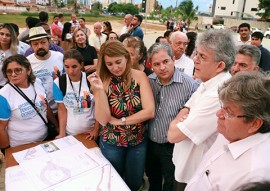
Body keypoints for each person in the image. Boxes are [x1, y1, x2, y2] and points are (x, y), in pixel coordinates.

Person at [167, 29, 236, 191]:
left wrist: (177, 121)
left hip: (194, 175)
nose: (195, 60)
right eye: (196, 54)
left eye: (202, 57)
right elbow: (185, 108)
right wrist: (184, 115)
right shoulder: (208, 83)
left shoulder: (218, 93)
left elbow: (173, 135)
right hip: (187, 168)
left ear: (220, 65)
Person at [87, 40, 155, 191]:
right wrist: (98, 90)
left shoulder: (140, 76)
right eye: (109, 64)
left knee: (134, 182)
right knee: (113, 182)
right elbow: (104, 120)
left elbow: (149, 111)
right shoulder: (102, 80)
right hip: (112, 143)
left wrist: (120, 121)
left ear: (126, 57)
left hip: (137, 141)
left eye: (118, 62)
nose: (115, 68)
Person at [185, 71, 270, 191]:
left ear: (254, 123)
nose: (218, 114)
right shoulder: (234, 133)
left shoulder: (252, 176)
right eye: (222, 107)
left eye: (228, 112)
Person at [146, 42, 198, 191]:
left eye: (165, 61)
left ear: (173, 59)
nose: (162, 67)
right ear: (151, 65)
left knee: (170, 182)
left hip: (173, 147)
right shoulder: (149, 82)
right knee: (153, 178)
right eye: (156, 64)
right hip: (150, 142)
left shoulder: (190, 85)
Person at [0, 54, 55, 150]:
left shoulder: (37, 82)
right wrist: (7, 150)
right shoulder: (4, 95)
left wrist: (57, 127)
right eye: (9, 71)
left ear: (28, 70)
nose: (13, 74)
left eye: (18, 70)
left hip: (45, 139)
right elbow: (1, 127)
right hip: (21, 146)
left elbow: (46, 106)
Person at [53, 49, 98, 139]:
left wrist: (96, 130)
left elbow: (98, 107)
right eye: (67, 67)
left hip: (91, 132)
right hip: (71, 133)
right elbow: (62, 110)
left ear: (81, 65)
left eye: (74, 67)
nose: (70, 71)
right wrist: (62, 133)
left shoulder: (92, 80)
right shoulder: (58, 83)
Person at [27, 26, 64, 116]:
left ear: (49, 42)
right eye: (35, 44)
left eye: (43, 42)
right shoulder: (27, 62)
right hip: (41, 111)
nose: (40, 46)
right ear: (30, 46)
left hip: (62, 108)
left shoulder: (59, 56)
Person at [0, 23, 25, 88]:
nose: (4, 37)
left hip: (11, 86)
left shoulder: (18, 51)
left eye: (8, 35)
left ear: (12, 37)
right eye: (1, 34)